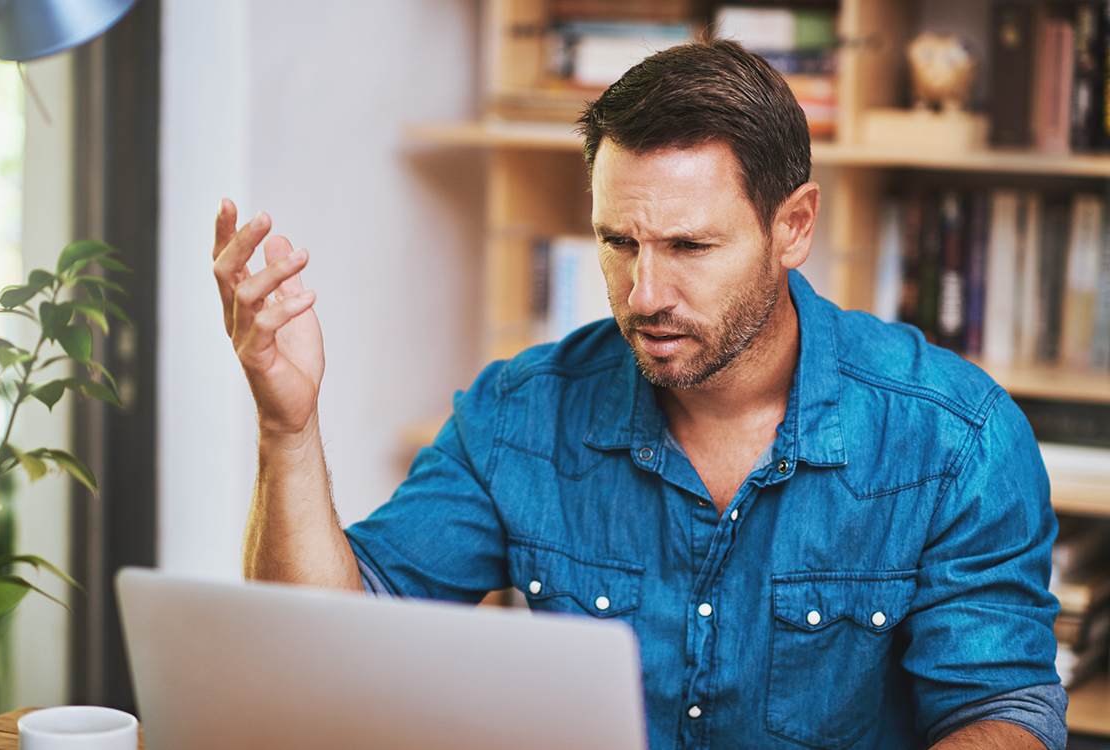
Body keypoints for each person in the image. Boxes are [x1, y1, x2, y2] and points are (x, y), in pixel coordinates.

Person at [211, 40, 1065, 750]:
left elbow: (1004, 714)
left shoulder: (956, 438)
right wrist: (287, 427)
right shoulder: (519, 415)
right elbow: (322, 651)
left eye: (690, 245)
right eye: (618, 242)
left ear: (794, 226)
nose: (643, 292)